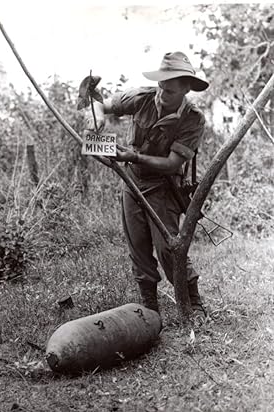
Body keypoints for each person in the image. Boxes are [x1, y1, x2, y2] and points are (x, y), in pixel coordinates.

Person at [86, 51, 209, 315]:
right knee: (138, 246)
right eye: (161, 87)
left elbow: (173, 164)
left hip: (165, 187)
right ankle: (149, 306)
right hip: (132, 182)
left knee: (168, 248)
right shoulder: (142, 97)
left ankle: (193, 301)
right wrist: (95, 121)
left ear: (186, 90)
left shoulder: (193, 119)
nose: (162, 95)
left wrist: (133, 156)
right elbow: (101, 106)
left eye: (170, 91)